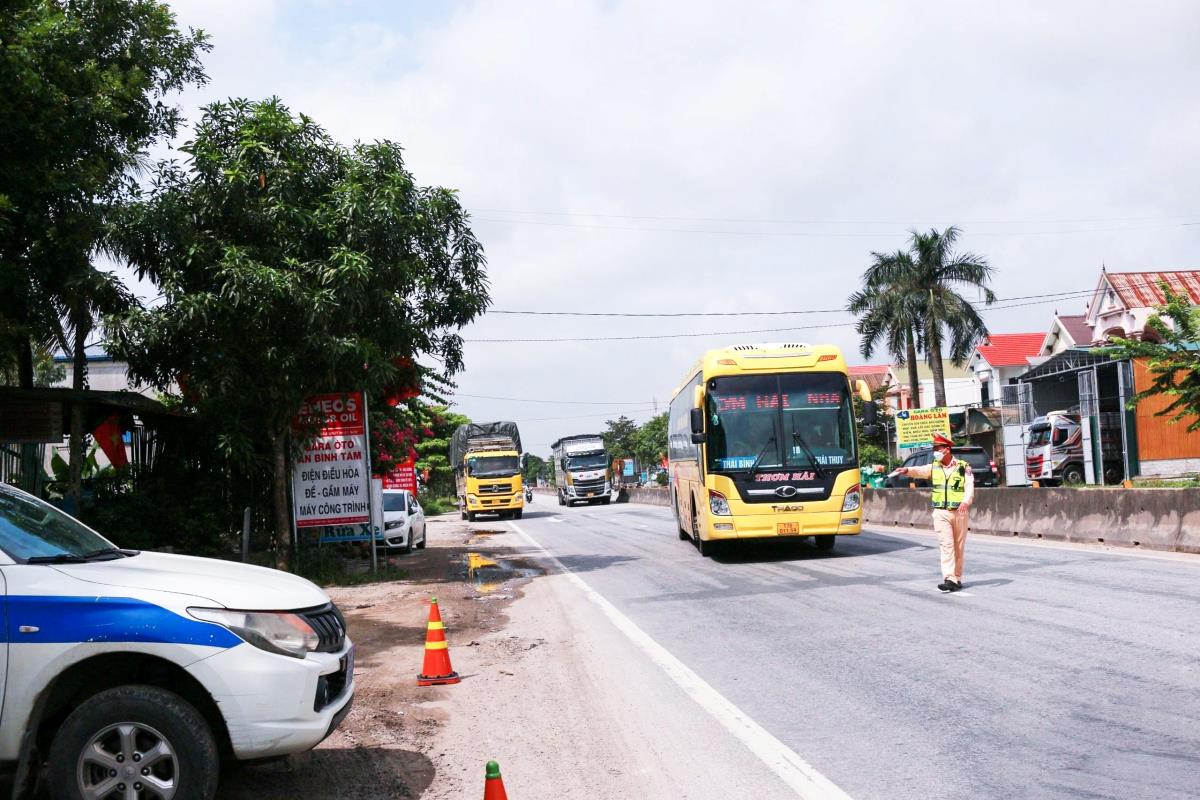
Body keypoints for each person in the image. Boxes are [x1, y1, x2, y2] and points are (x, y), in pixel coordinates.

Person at [894, 432, 974, 592]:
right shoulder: (934, 467)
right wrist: (907, 470)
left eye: (938, 448)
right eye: (934, 448)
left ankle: (957, 578)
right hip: (941, 512)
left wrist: (966, 501)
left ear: (947, 449)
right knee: (946, 545)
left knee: (959, 547)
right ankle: (949, 578)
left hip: (959, 512)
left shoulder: (963, 467)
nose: (935, 451)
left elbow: (969, 486)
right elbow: (920, 471)